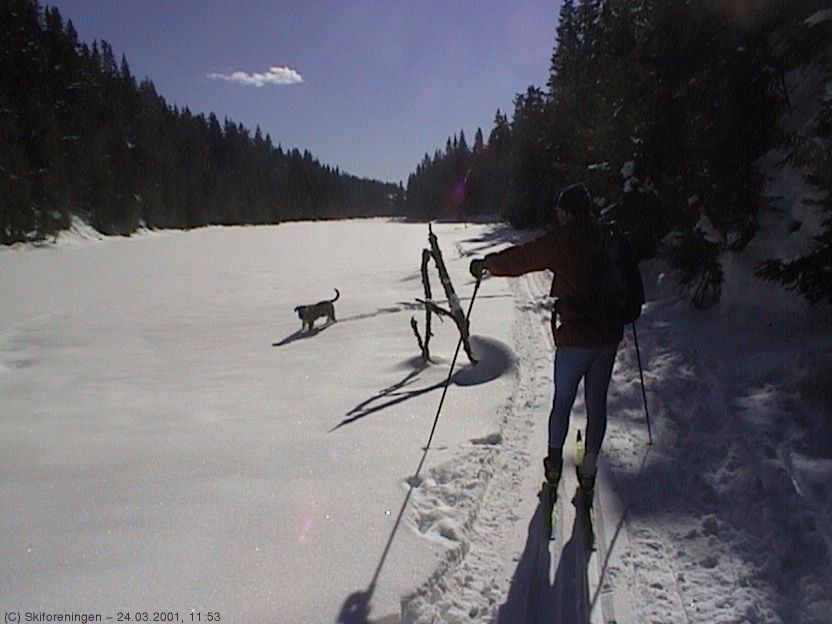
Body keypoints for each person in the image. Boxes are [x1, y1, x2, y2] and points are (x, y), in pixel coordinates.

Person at [469, 183, 622, 492]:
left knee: (563, 400)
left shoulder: (563, 239)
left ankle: (553, 466)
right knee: (596, 403)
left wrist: (488, 264)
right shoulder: (607, 236)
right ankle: (589, 466)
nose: (558, 216)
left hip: (575, 338)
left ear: (566, 212)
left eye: (559, 211)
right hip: (607, 337)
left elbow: (523, 259)